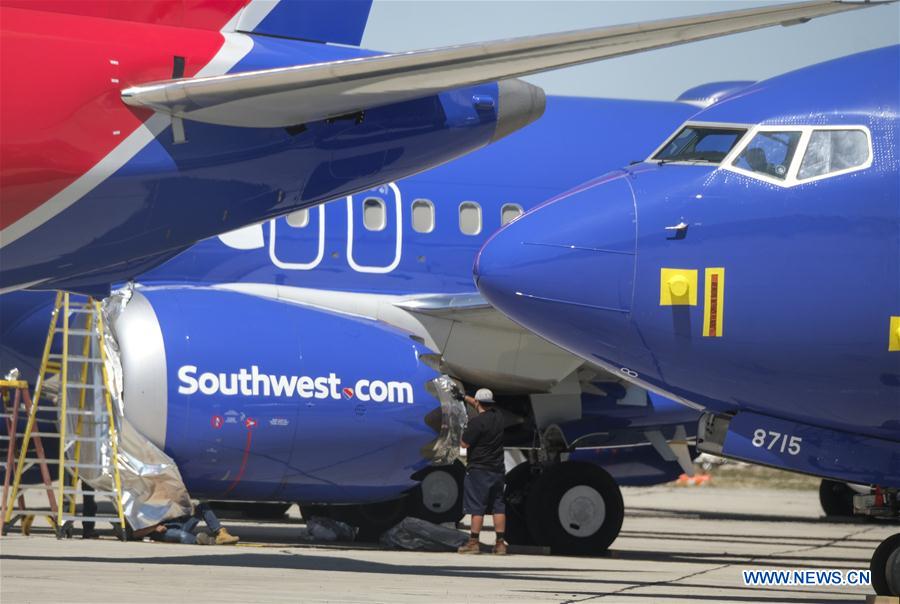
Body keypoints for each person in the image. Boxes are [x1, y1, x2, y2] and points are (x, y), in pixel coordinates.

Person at [457, 388, 507, 555]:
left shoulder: (476, 423)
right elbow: (478, 403)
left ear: (478, 402)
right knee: (498, 506)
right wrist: (464, 397)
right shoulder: (499, 417)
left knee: (477, 507)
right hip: (498, 469)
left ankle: (473, 542)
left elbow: (464, 444)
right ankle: (500, 544)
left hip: (479, 469)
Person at [129, 502, 239, 545]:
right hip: (162, 530)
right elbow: (134, 534)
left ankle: (221, 533)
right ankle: (202, 541)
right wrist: (154, 528)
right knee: (183, 535)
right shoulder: (133, 507)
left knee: (202, 506)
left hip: (178, 523)